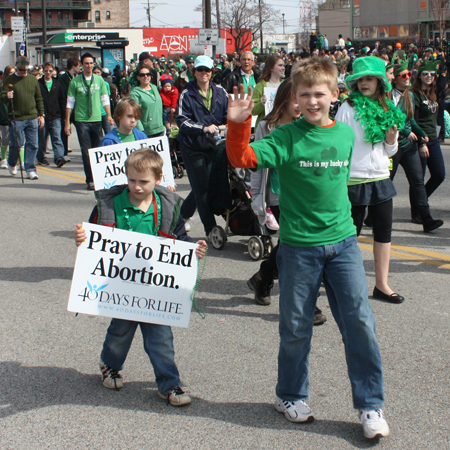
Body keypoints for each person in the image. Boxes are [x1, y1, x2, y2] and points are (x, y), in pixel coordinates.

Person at [226, 57, 390, 440]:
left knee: (360, 324)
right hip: (299, 248)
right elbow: (243, 158)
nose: (313, 101)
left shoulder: (345, 135)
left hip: (344, 245)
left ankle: (370, 405)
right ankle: (291, 395)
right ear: (294, 99)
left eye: (320, 93)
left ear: (335, 95)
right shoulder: (285, 137)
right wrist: (238, 124)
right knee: (296, 328)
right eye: (305, 95)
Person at [74, 148, 207, 406]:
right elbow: (92, 236)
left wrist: (194, 248)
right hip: (120, 284)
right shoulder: (109, 204)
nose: (136, 186)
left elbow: (180, 239)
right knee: (120, 331)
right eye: (132, 180)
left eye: (143, 182)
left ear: (158, 179)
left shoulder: (167, 206)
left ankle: (169, 384)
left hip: (155, 287)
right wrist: (81, 237)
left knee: (161, 338)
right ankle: (109, 364)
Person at [336, 57, 405, 304]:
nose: (364, 83)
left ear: (379, 82)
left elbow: (390, 152)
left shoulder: (387, 109)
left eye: (369, 79)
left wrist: (390, 138)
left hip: (380, 178)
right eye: (360, 79)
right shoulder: (348, 108)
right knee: (348, 236)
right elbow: (339, 146)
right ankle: (343, 282)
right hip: (352, 180)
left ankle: (382, 285)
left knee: (383, 233)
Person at [176, 55, 228, 238]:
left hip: (215, 146)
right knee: (203, 189)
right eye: (200, 70)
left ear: (212, 72)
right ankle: (211, 229)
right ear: (194, 72)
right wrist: (203, 128)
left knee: (206, 186)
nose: (203, 73)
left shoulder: (221, 92)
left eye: (207, 70)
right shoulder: (186, 93)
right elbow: (182, 121)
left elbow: (228, 115)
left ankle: (181, 215)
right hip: (193, 147)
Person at [390, 62, 443, 232]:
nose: (407, 78)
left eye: (409, 75)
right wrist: (406, 132)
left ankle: (426, 219)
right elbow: (390, 119)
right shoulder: (387, 96)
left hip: (408, 147)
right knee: (385, 182)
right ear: (395, 78)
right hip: (392, 146)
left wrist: (420, 134)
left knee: (418, 182)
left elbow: (411, 120)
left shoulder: (409, 96)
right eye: (404, 75)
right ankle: (371, 216)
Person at [65, 53, 113, 190]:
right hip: (81, 120)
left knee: (97, 150)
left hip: (97, 119)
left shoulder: (99, 80)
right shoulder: (75, 82)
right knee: (86, 151)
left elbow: (105, 99)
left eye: (91, 63)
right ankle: (90, 179)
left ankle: (99, 177)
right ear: (81, 65)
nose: (89, 66)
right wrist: (67, 122)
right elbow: (69, 103)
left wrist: (109, 115)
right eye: (86, 63)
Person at [411, 61, 446, 221]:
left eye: (432, 74)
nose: (429, 76)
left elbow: (444, 80)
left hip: (433, 139)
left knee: (439, 174)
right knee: (419, 179)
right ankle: (417, 212)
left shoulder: (434, 93)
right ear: (419, 76)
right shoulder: (415, 94)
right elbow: (414, 119)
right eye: (425, 73)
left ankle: (421, 201)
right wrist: (421, 143)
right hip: (421, 140)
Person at [0, 56, 44, 180]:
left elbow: (38, 98)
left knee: (33, 144)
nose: (23, 72)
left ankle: (30, 168)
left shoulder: (32, 80)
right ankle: (12, 162)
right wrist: (7, 95)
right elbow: (2, 96)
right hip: (16, 117)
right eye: (21, 70)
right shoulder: (9, 79)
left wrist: (41, 115)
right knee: (16, 144)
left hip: (32, 116)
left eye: (25, 70)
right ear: (16, 67)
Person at [37, 62, 69, 168]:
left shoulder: (57, 83)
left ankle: (59, 158)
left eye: (50, 71)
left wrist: (65, 116)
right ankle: (41, 157)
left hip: (55, 115)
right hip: (43, 115)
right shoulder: (39, 83)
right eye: (46, 70)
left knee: (57, 138)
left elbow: (62, 100)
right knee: (42, 138)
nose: (48, 73)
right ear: (43, 71)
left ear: (53, 71)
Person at [129, 65, 165, 138]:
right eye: (142, 75)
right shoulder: (135, 93)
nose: (146, 76)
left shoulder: (154, 87)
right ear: (138, 77)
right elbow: (134, 113)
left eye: (148, 74)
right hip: (147, 132)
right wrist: (140, 131)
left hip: (160, 128)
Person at [251, 54, 285, 129]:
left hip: (282, 127)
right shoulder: (261, 86)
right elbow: (253, 110)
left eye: (283, 65)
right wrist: (261, 103)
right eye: (280, 65)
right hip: (265, 128)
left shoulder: (286, 85)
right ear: (271, 68)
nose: (283, 68)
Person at [58, 57, 80, 157]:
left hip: (75, 109)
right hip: (66, 108)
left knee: (81, 128)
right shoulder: (63, 78)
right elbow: (64, 93)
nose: (80, 68)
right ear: (73, 67)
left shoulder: (75, 77)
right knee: (65, 130)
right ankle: (64, 151)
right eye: (78, 66)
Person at [0, 65, 14, 169]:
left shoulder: (17, 86)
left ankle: (19, 161)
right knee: (5, 139)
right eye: (10, 73)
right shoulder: (2, 87)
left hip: (15, 116)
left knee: (19, 140)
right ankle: (4, 159)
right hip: (4, 116)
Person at [93, 65, 112, 136]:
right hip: (96, 112)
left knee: (108, 131)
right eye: (95, 72)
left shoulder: (106, 84)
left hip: (104, 112)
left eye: (98, 72)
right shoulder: (90, 84)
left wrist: (110, 114)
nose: (97, 74)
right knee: (98, 134)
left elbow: (107, 99)